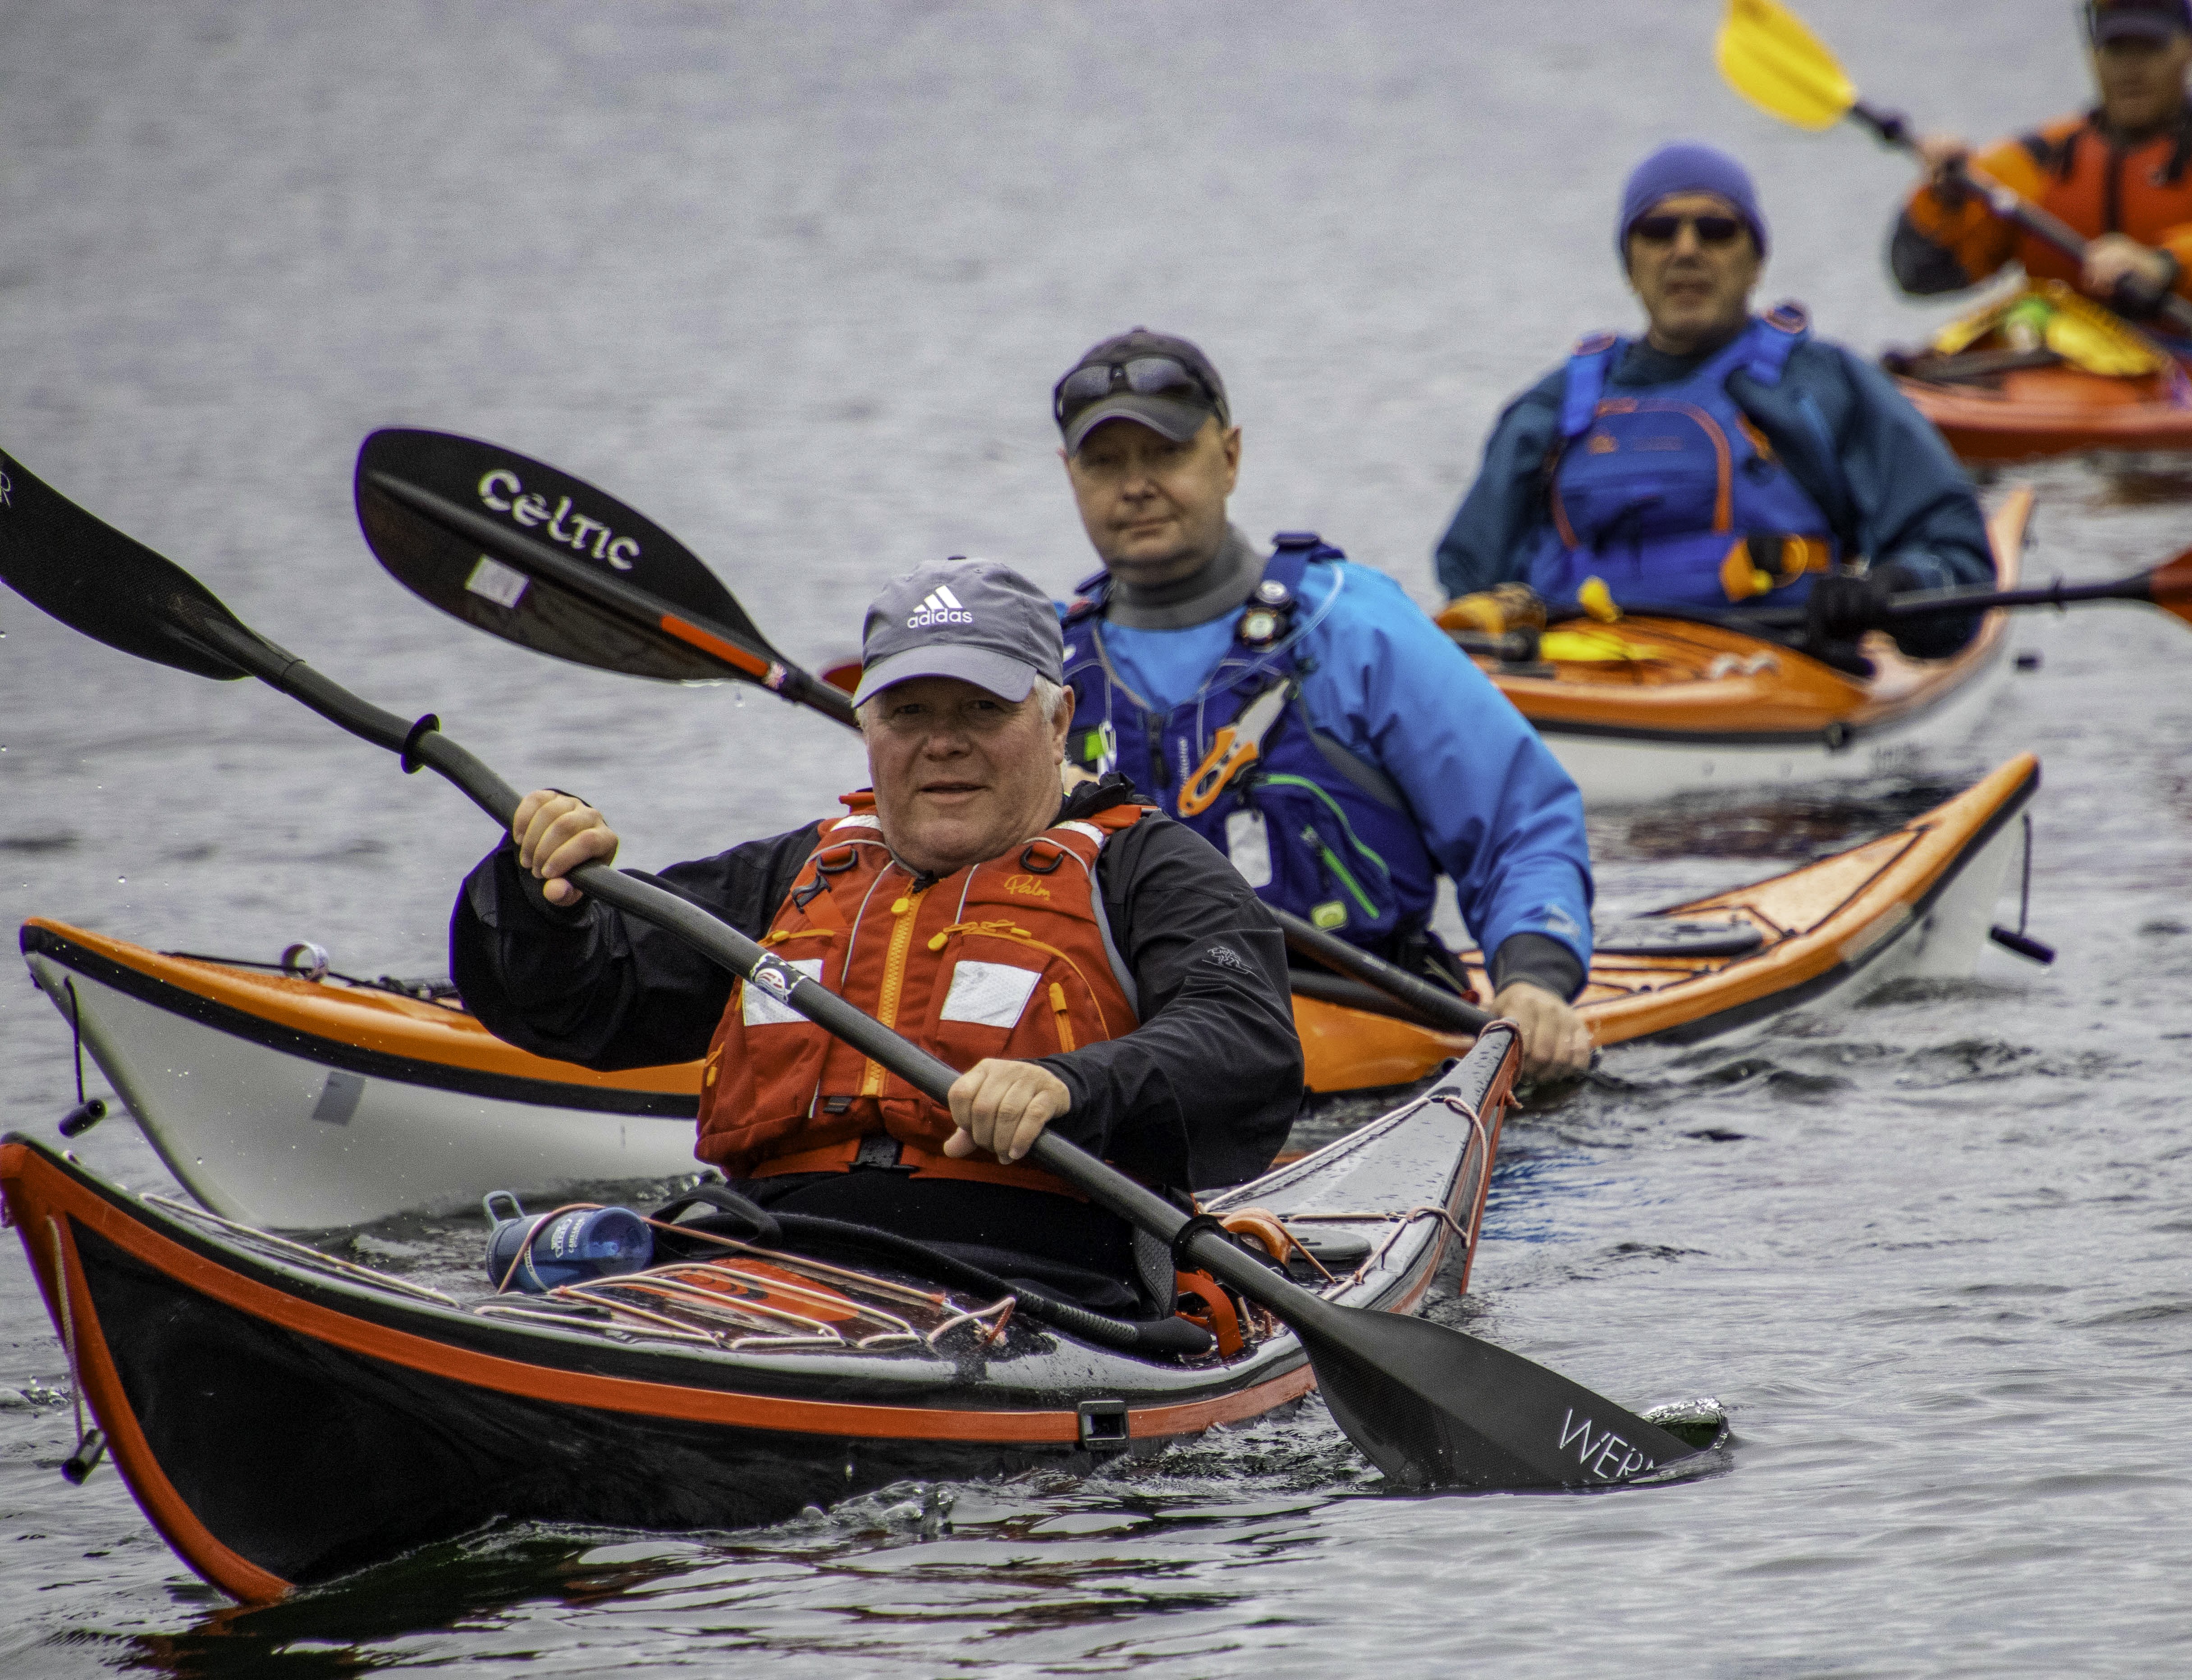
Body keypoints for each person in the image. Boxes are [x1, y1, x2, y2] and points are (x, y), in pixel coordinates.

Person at [451, 558, 1304, 1317]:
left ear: (1056, 721)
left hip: (1037, 1283)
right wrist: (541, 895)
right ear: (869, 729)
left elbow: (1245, 1041)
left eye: (981, 708)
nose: (943, 742)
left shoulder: (1145, 868)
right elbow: (574, 1001)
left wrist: (1071, 1084)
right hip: (762, 1259)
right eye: (909, 712)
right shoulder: (797, 872)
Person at [1052, 328, 1596, 1084]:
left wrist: (1534, 977)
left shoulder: (1351, 624)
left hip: (1374, 1044)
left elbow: (1520, 826)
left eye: (1166, 453)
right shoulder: (1040, 670)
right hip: (1124, 1060)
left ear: (1230, 455)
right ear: (1069, 474)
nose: (1135, 485)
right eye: (1104, 463)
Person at [1434, 142, 1994, 675]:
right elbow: (1469, 582)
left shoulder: (1821, 385)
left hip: (1778, 662)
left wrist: (1889, 589)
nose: (1686, 250)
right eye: (1657, 231)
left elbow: (1953, 555)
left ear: (1756, 262)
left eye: (1716, 230)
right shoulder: (1555, 405)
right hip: (1582, 667)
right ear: (1629, 264)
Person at [1892, 0, 2192, 321]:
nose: (2130, 70)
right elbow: (1920, 276)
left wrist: (2161, 266)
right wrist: (1943, 197)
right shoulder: (2043, 158)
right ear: (2093, 57)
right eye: (2116, 50)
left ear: (2191, 51)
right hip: (2075, 365)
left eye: (2149, 49)